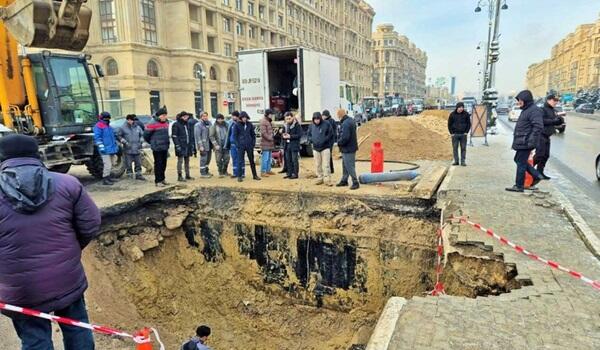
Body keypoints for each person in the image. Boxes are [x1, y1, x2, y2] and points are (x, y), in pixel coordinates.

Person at [0, 134, 101, 350]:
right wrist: (70, 249)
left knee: (35, 340)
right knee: (78, 330)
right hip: (66, 278)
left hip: (21, 289)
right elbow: (90, 224)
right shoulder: (67, 183)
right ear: (37, 154)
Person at [506, 90, 543, 193]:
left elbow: (538, 126)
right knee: (518, 159)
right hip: (523, 140)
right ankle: (536, 175)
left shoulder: (534, 110)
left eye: (520, 100)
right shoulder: (527, 109)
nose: (519, 102)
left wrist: (531, 141)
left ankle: (519, 185)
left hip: (526, 141)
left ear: (526, 100)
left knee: (521, 162)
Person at [533, 94, 564, 179]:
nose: (556, 102)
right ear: (548, 100)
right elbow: (542, 121)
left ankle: (540, 172)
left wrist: (559, 121)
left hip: (547, 135)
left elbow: (554, 121)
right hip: (541, 134)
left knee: (546, 155)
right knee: (539, 155)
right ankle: (528, 169)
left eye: (557, 100)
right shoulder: (542, 109)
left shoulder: (553, 110)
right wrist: (554, 121)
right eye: (554, 100)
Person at [144, 106, 171, 187]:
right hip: (157, 147)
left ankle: (162, 179)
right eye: (163, 115)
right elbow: (146, 135)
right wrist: (153, 142)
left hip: (165, 146)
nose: (164, 117)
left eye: (165, 115)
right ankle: (158, 181)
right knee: (158, 164)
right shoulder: (152, 123)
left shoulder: (166, 122)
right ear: (159, 116)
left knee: (164, 164)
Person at [93, 111, 119, 185]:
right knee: (107, 164)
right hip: (105, 150)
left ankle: (109, 177)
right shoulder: (98, 126)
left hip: (111, 149)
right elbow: (98, 138)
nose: (107, 120)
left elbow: (113, 137)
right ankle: (105, 179)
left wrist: (115, 146)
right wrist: (101, 148)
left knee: (112, 163)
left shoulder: (108, 126)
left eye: (108, 118)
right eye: (106, 118)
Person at [308, 111, 334, 186]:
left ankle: (327, 179)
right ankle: (320, 178)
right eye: (315, 119)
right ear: (313, 119)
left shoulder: (326, 124)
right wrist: (311, 140)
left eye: (318, 119)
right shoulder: (311, 125)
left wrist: (325, 140)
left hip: (325, 147)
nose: (317, 120)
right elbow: (308, 134)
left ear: (320, 118)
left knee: (326, 164)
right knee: (317, 164)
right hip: (315, 148)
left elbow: (330, 134)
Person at [233, 111, 260, 182]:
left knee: (252, 161)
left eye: (245, 117)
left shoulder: (250, 124)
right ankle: (239, 176)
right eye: (243, 118)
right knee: (240, 161)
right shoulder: (237, 125)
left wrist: (253, 143)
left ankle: (255, 175)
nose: (244, 119)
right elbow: (234, 136)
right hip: (241, 145)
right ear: (240, 118)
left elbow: (253, 135)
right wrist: (237, 144)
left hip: (249, 145)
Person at [336, 109, 359, 190]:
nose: (337, 117)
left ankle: (355, 182)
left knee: (349, 166)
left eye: (338, 115)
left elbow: (345, 137)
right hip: (349, 147)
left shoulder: (345, 123)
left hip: (348, 148)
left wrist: (339, 142)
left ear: (340, 115)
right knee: (345, 165)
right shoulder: (350, 121)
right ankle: (344, 180)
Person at [117, 114, 146, 181]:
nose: (130, 121)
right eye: (129, 120)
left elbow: (142, 135)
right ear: (127, 120)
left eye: (131, 120)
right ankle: (129, 175)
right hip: (128, 149)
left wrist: (142, 140)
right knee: (128, 164)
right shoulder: (122, 128)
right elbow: (119, 136)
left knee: (138, 163)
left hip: (137, 148)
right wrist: (124, 141)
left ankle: (138, 175)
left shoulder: (137, 127)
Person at [172, 111, 196, 182]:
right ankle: (179, 175)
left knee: (187, 161)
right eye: (185, 117)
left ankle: (187, 175)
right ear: (181, 117)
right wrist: (177, 145)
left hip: (187, 145)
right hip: (181, 145)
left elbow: (190, 134)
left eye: (187, 117)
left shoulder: (188, 124)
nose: (186, 118)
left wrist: (191, 144)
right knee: (180, 161)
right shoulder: (176, 124)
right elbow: (174, 136)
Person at [447, 102, 471, 166]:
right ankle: (456, 161)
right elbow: (449, 124)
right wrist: (451, 133)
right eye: (460, 107)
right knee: (455, 148)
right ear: (457, 107)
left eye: (462, 107)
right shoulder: (452, 114)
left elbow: (469, 124)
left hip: (463, 134)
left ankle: (463, 161)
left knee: (463, 148)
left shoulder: (466, 114)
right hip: (455, 135)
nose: (461, 109)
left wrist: (466, 132)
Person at [282, 112, 302, 179]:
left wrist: (290, 136)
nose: (288, 120)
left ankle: (295, 174)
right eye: (287, 119)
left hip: (294, 145)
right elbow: (282, 133)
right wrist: (283, 135)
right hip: (287, 145)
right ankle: (289, 173)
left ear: (292, 117)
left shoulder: (297, 125)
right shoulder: (285, 125)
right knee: (288, 160)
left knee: (294, 160)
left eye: (289, 118)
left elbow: (299, 135)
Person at [225, 111, 245, 179]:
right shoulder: (231, 123)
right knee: (234, 159)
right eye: (232, 116)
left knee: (241, 159)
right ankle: (235, 173)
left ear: (237, 116)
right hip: (232, 144)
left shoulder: (241, 124)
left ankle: (242, 173)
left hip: (239, 144)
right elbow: (229, 134)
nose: (233, 117)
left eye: (234, 116)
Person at [194, 112, 213, 178]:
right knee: (203, 159)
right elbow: (198, 136)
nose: (205, 117)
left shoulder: (209, 123)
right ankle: (203, 173)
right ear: (201, 117)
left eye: (206, 116)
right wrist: (200, 146)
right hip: (203, 145)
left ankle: (206, 170)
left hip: (209, 144)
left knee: (208, 159)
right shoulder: (198, 125)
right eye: (203, 116)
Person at [260, 109, 276, 177]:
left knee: (269, 158)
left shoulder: (268, 121)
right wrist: (270, 138)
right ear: (268, 114)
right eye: (271, 114)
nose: (272, 116)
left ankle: (268, 170)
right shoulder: (263, 121)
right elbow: (263, 133)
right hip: (265, 143)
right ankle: (263, 171)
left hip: (269, 143)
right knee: (265, 158)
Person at [322, 109, 337, 174]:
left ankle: (330, 169)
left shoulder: (327, 122)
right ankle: (331, 169)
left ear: (325, 115)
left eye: (323, 115)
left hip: (329, 141)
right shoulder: (332, 120)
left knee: (328, 155)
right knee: (329, 155)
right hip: (331, 140)